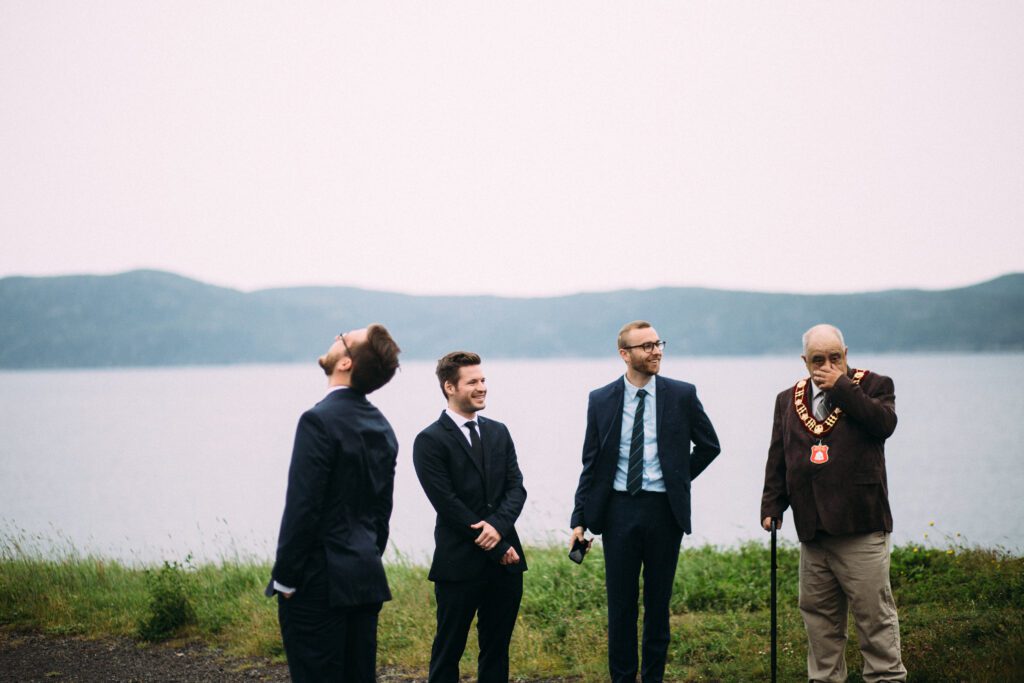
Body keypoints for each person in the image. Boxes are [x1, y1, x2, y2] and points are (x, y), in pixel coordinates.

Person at [570, 321, 721, 683]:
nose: (656, 351)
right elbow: (591, 462)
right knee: (620, 608)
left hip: (663, 512)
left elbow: (710, 445)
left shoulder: (682, 394)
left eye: (658, 343)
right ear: (625, 354)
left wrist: (676, 479)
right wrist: (578, 518)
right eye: (647, 346)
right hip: (618, 511)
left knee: (657, 607)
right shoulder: (601, 399)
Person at [760, 323, 906, 682]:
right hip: (813, 529)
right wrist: (772, 504)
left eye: (834, 357)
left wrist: (841, 386)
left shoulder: (874, 385)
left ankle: (886, 678)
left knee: (874, 617)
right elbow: (779, 454)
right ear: (804, 360)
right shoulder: (787, 398)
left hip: (861, 524)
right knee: (819, 619)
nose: (826, 365)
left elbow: (884, 424)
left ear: (846, 353)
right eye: (818, 359)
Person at [266, 324, 402, 683]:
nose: (335, 338)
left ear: (345, 362)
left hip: (318, 584)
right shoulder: (383, 427)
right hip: (365, 577)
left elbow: (303, 508)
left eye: (342, 337)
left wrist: (285, 579)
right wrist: (365, 557)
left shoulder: (317, 421)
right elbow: (381, 515)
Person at [413, 351, 528, 683]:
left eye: (483, 380)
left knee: (496, 648)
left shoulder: (499, 431)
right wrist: (494, 543)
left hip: (505, 562)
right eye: (473, 382)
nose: (482, 388)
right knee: (449, 649)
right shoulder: (429, 440)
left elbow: (516, 487)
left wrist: (498, 530)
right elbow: (447, 503)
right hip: (459, 564)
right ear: (450, 387)